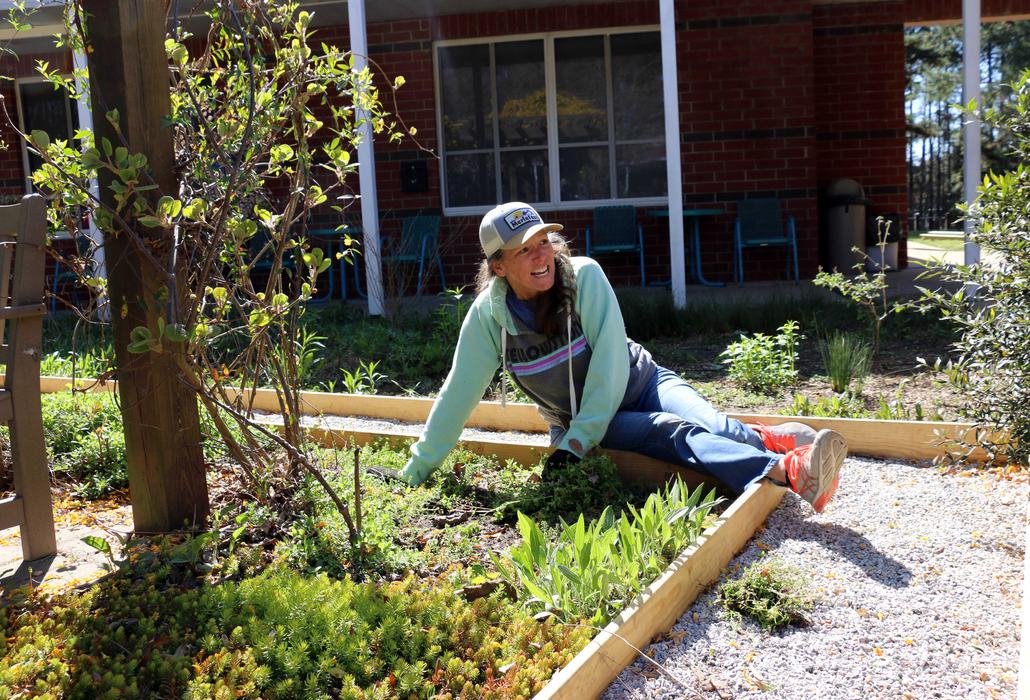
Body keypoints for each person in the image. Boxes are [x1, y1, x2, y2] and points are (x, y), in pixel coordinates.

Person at [398, 202, 847, 513]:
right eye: (525, 250)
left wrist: (575, 444)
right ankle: (790, 470)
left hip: (643, 380)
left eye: (545, 242)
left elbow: (611, 365)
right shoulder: (488, 320)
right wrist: (415, 472)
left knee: (710, 423)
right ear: (498, 266)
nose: (543, 256)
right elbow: (457, 396)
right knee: (672, 433)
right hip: (586, 418)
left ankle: (765, 438)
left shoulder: (584, 278)